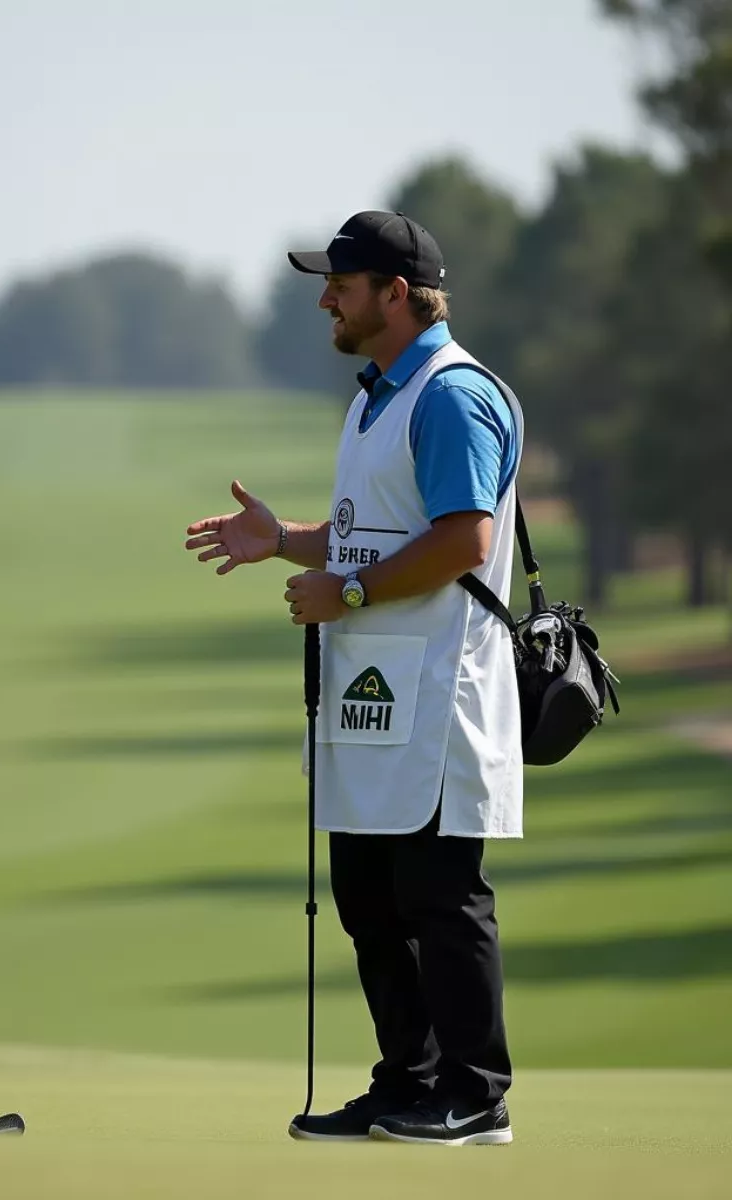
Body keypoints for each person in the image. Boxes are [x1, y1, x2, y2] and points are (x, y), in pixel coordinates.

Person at [184, 211, 523, 1146]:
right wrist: (288, 542)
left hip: (440, 688)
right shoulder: (378, 393)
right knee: (369, 898)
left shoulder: (450, 395)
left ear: (397, 294)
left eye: (342, 283)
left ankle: (475, 1093)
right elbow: (382, 527)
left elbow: (464, 538)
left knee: (442, 900)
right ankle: (408, 1081)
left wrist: (351, 590)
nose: (326, 298)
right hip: (374, 689)